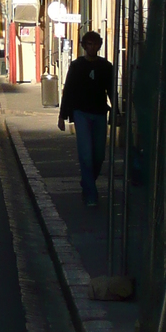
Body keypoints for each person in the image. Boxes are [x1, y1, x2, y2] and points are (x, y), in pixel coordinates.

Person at [58, 30, 113, 206]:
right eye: (89, 44)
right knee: (86, 155)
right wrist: (62, 116)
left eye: (95, 44)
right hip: (81, 113)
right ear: (84, 46)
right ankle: (91, 194)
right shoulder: (77, 66)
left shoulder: (106, 66)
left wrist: (117, 112)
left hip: (99, 113)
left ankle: (87, 182)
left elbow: (111, 90)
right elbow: (68, 91)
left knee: (99, 156)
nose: (92, 47)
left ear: (99, 46)